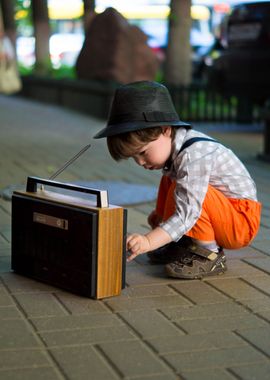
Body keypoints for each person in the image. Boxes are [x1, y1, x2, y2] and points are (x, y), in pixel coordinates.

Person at [94, 81, 261, 279]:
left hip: (240, 222)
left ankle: (210, 254)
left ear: (165, 130)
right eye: (133, 157)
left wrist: (148, 241)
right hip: (224, 213)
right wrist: (161, 223)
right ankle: (180, 242)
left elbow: (188, 212)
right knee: (170, 181)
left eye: (143, 152)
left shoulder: (193, 157)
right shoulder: (177, 151)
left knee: (194, 191)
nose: (140, 162)